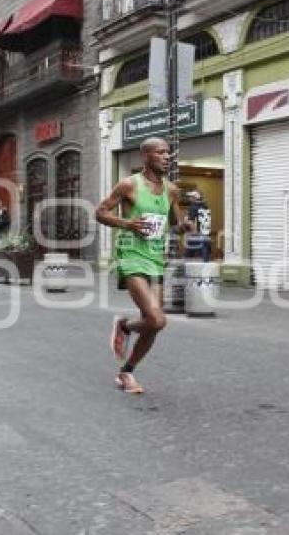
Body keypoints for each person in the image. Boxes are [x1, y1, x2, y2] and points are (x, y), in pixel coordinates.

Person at [95, 137, 194, 394]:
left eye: (168, 153)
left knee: (154, 324)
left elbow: (173, 224)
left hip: (155, 258)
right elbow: (100, 212)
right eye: (160, 153)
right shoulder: (129, 184)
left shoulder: (172, 190)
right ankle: (125, 327)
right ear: (146, 157)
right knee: (156, 318)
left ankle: (126, 370)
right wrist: (128, 224)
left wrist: (183, 227)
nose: (166, 157)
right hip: (131, 255)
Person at [185, 190, 212, 262]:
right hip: (206, 234)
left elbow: (191, 222)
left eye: (191, 197)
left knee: (188, 258)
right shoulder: (206, 207)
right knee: (205, 258)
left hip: (196, 235)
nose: (189, 198)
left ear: (194, 198)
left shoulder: (192, 207)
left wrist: (192, 232)